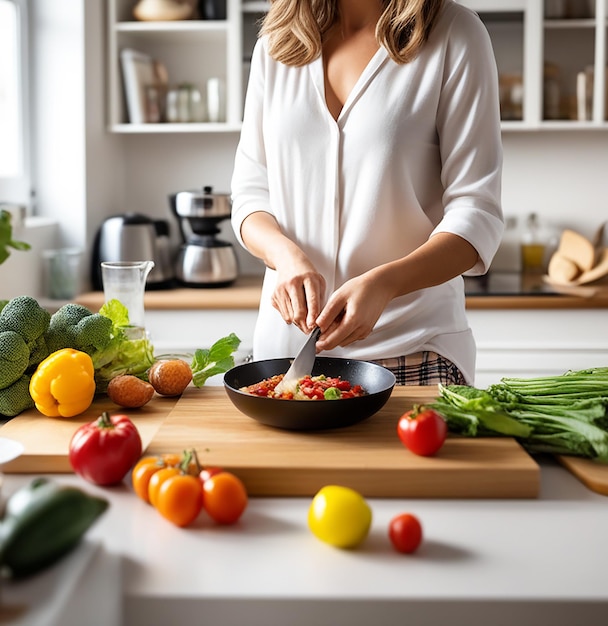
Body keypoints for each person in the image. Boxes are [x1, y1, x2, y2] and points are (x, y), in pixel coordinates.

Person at [230, 0, 504, 386]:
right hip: (286, 352)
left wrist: (385, 284)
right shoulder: (276, 42)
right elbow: (250, 192)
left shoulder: (455, 33)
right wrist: (284, 256)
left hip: (411, 348)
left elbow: (477, 214)